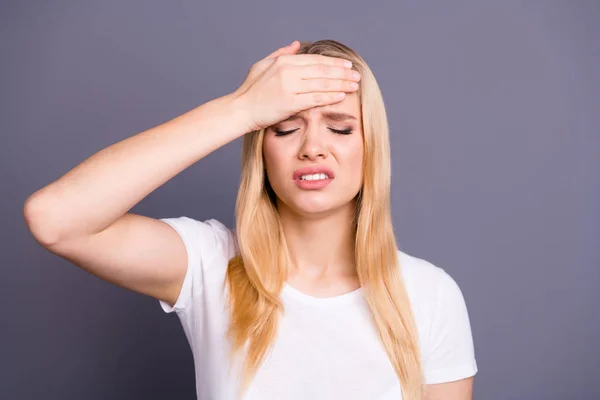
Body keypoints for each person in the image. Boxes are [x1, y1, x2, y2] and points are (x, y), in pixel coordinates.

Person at [23, 39, 477, 399]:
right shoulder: (209, 265)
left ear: (371, 148)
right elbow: (55, 219)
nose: (312, 146)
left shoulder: (430, 296)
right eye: (285, 127)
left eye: (339, 127)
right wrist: (240, 108)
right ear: (261, 149)